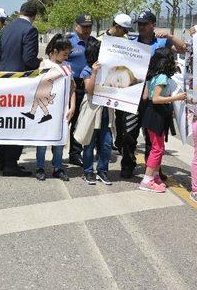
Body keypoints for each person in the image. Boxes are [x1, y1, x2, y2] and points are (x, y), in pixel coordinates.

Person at [119, 10, 186, 179]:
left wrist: (170, 36)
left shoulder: (163, 42)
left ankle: (154, 166)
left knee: (154, 133)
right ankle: (128, 163)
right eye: (139, 24)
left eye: (144, 24)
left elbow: (182, 48)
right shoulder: (132, 42)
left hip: (156, 91)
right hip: (134, 91)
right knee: (129, 132)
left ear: (153, 25)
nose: (141, 27)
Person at [0, 1, 41, 177]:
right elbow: (29, 59)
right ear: (34, 15)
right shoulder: (30, 30)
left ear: (20, 11)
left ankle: (2, 160)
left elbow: (0, 54)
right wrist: (43, 64)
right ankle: (10, 164)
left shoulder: (6, 29)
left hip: (3, 80)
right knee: (17, 123)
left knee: (5, 122)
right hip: (20, 83)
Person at [140, 48, 186, 193]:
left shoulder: (151, 75)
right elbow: (156, 99)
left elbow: (145, 97)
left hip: (151, 114)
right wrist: (175, 98)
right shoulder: (162, 78)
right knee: (157, 149)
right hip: (157, 115)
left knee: (158, 147)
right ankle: (147, 181)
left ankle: (154, 176)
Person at [34, 34, 75, 181]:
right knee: (43, 140)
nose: (66, 56)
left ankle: (58, 167)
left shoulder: (67, 67)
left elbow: (72, 88)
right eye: (64, 54)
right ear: (55, 51)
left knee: (60, 140)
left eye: (68, 54)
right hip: (46, 108)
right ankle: (40, 166)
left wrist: (73, 106)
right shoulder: (44, 65)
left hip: (62, 110)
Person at [75, 40, 114, 185]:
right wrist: (94, 72)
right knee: (89, 143)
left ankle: (103, 171)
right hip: (92, 110)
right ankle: (88, 171)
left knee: (106, 143)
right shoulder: (87, 70)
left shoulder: (110, 69)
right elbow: (89, 90)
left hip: (106, 110)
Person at [65, 14, 98, 167]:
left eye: (89, 26)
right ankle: (58, 151)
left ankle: (75, 154)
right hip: (71, 85)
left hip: (89, 84)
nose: (87, 29)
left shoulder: (95, 43)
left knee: (81, 120)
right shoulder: (67, 42)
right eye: (84, 26)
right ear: (76, 26)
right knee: (67, 119)